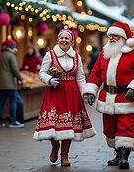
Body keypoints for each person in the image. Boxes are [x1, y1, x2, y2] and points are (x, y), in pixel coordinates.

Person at [83, 22, 134, 169]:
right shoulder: (104, 54)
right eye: (110, 35)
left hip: (127, 98)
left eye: (115, 35)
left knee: (125, 128)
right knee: (109, 129)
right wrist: (91, 91)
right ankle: (117, 153)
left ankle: (124, 157)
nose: (111, 37)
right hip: (107, 98)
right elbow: (95, 74)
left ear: (123, 37)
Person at [33, 29, 95, 167]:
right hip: (54, 92)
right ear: (57, 40)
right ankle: (55, 145)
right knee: (53, 123)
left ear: (71, 41)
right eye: (61, 38)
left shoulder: (76, 57)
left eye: (67, 38)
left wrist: (84, 92)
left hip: (71, 93)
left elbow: (80, 77)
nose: (64, 40)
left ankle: (64, 154)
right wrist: (49, 80)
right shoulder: (50, 55)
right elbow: (42, 73)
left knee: (69, 125)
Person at [0, 39, 25, 128]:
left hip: (0, 84)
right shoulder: (11, 56)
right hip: (9, 84)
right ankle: (12, 121)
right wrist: (20, 78)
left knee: (1, 103)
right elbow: (15, 69)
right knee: (13, 102)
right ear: (12, 47)